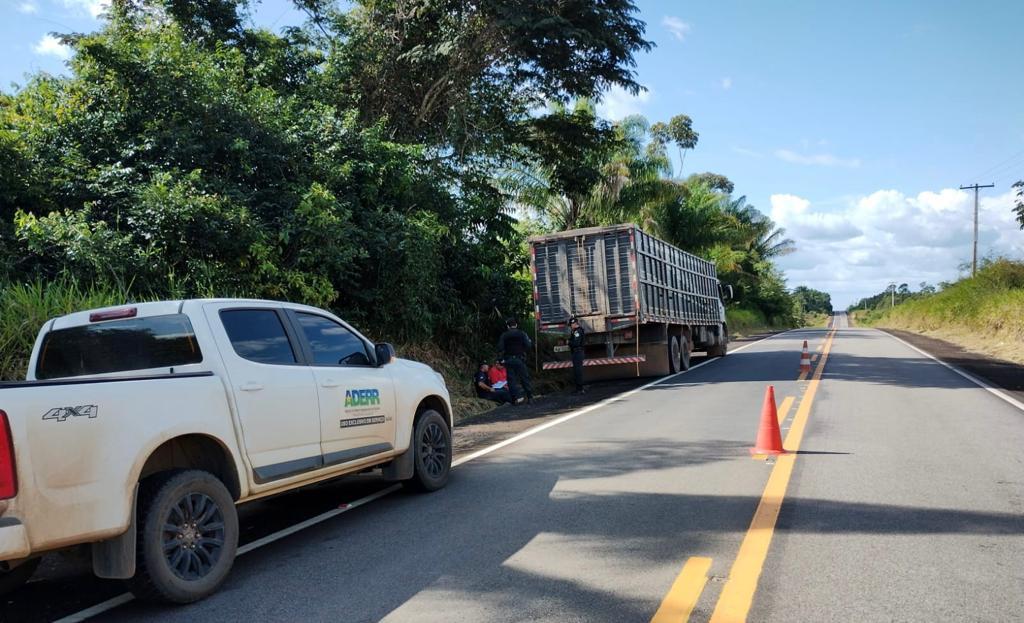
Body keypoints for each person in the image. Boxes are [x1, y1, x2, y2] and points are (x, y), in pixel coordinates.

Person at [497, 318, 533, 403]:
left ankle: (515, 398)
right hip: (520, 359)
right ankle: (530, 397)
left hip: (509, 360)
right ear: (516, 325)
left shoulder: (504, 335)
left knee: (511, 380)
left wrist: (501, 359)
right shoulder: (522, 334)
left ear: (508, 326)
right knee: (524, 378)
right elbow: (528, 345)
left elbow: (500, 347)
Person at [568, 317, 586, 394]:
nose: (570, 326)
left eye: (571, 325)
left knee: (578, 371)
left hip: (578, 352)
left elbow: (576, 343)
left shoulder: (577, 332)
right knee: (576, 371)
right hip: (576, 352)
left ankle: (580, 389)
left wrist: (568, 342)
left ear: (574, 324)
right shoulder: (575, 331)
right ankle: (578, 388)